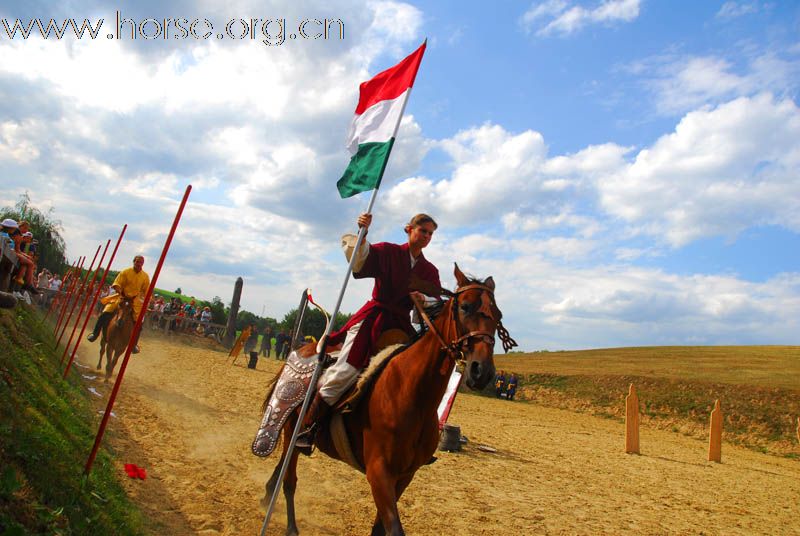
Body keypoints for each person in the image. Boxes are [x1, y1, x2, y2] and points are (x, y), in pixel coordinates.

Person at [296, 212, 441, 449]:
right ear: (409, 229)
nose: (426, 236)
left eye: (430, 233)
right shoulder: (389, 251)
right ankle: (309, 427)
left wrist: (423, 298)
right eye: (422, 230)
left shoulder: (429, 271)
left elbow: (435, 303)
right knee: (345, 370)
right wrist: (362, 235)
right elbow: (360, 260)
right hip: (375, 318)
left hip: (402, 327)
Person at [86, 255, 150, 353]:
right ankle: (95, 334)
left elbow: (147, 291)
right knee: (106, 312)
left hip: (134, 301)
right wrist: (121, 292)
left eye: (141, 262)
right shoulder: (125, 272)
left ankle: (134, 344)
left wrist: (147, 300)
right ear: (134, 262)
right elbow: (117, 284)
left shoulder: (145, 276)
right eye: (137, 262)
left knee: (139, 322)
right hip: (121, 297)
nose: (139, 264)